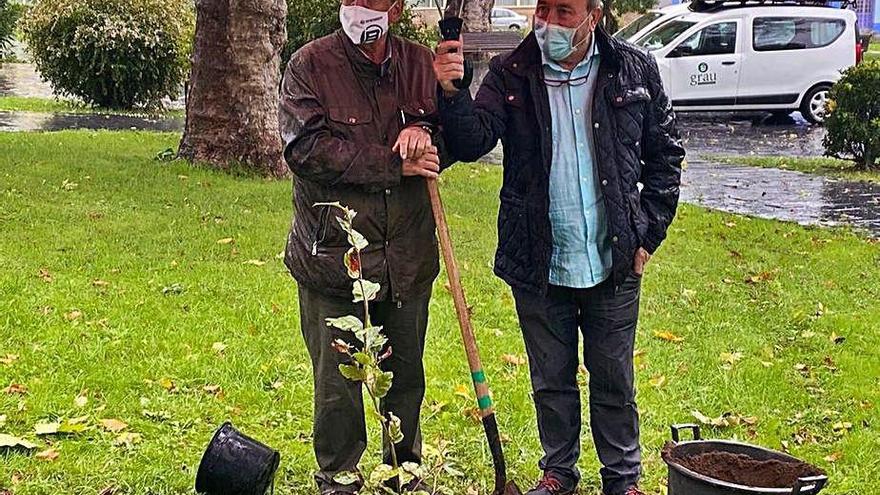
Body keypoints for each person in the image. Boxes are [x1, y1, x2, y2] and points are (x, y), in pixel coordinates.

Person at [433, 0, 685, 493]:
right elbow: (471, 141)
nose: (547, 23)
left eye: (564, 11)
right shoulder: (511, 73)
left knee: (614, 378)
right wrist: (451, 91)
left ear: (594, 14)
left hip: (612, 257)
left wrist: (648, 232)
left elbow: (666, 155)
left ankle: (622, 478)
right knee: (551, 378)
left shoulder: (633, 70)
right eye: (542, 9)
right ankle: (558, 473)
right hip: (539, 257)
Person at [279, 0, 450, 493]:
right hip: (334, 258)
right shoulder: (309, 65)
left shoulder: (420, 64)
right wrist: (393, 163)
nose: (355, 7)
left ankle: (404, 471)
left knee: (406, 377)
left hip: (407, 257)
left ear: (395, 8)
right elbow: (306, 150)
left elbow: (452, 133)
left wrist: (426, 130)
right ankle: (339, 477)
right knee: (337, 388)